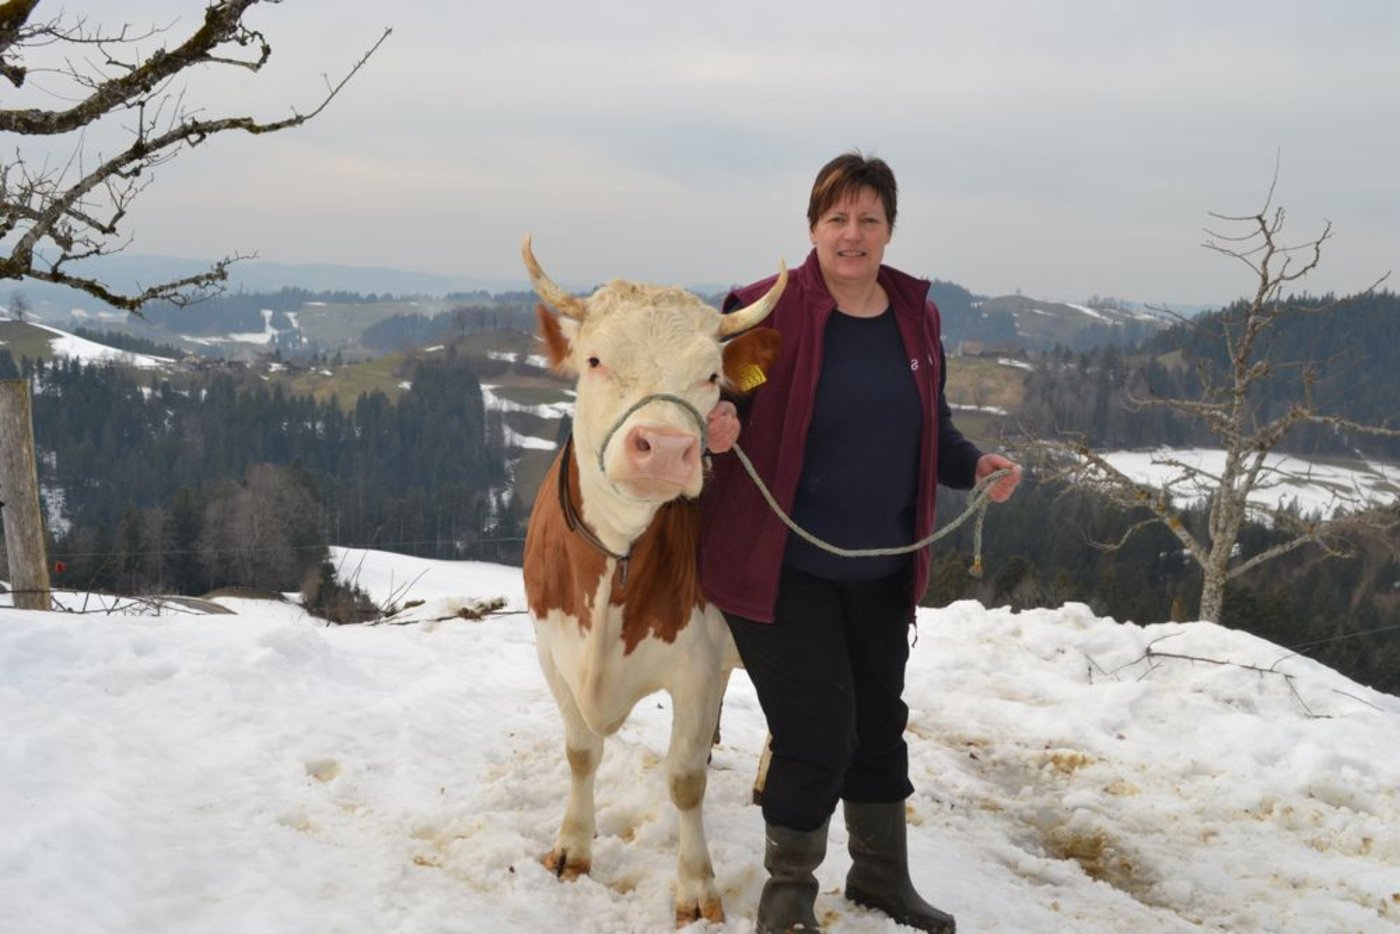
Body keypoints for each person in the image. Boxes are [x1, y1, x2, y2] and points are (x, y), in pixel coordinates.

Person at [700, 152, 1021, 934]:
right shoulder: (761, 311)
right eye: (837, 218)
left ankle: (880, 877)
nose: (853, 234)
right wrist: (715, 427)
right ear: (812, 227)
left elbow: (930, 429)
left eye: (869, 219)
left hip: (881, 569)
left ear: (889, 230)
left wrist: (972, 463)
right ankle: (787, 902)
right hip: (778, 568)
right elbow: (710, 405)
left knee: (878, 723)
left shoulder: (918, 318)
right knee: (819, 732)